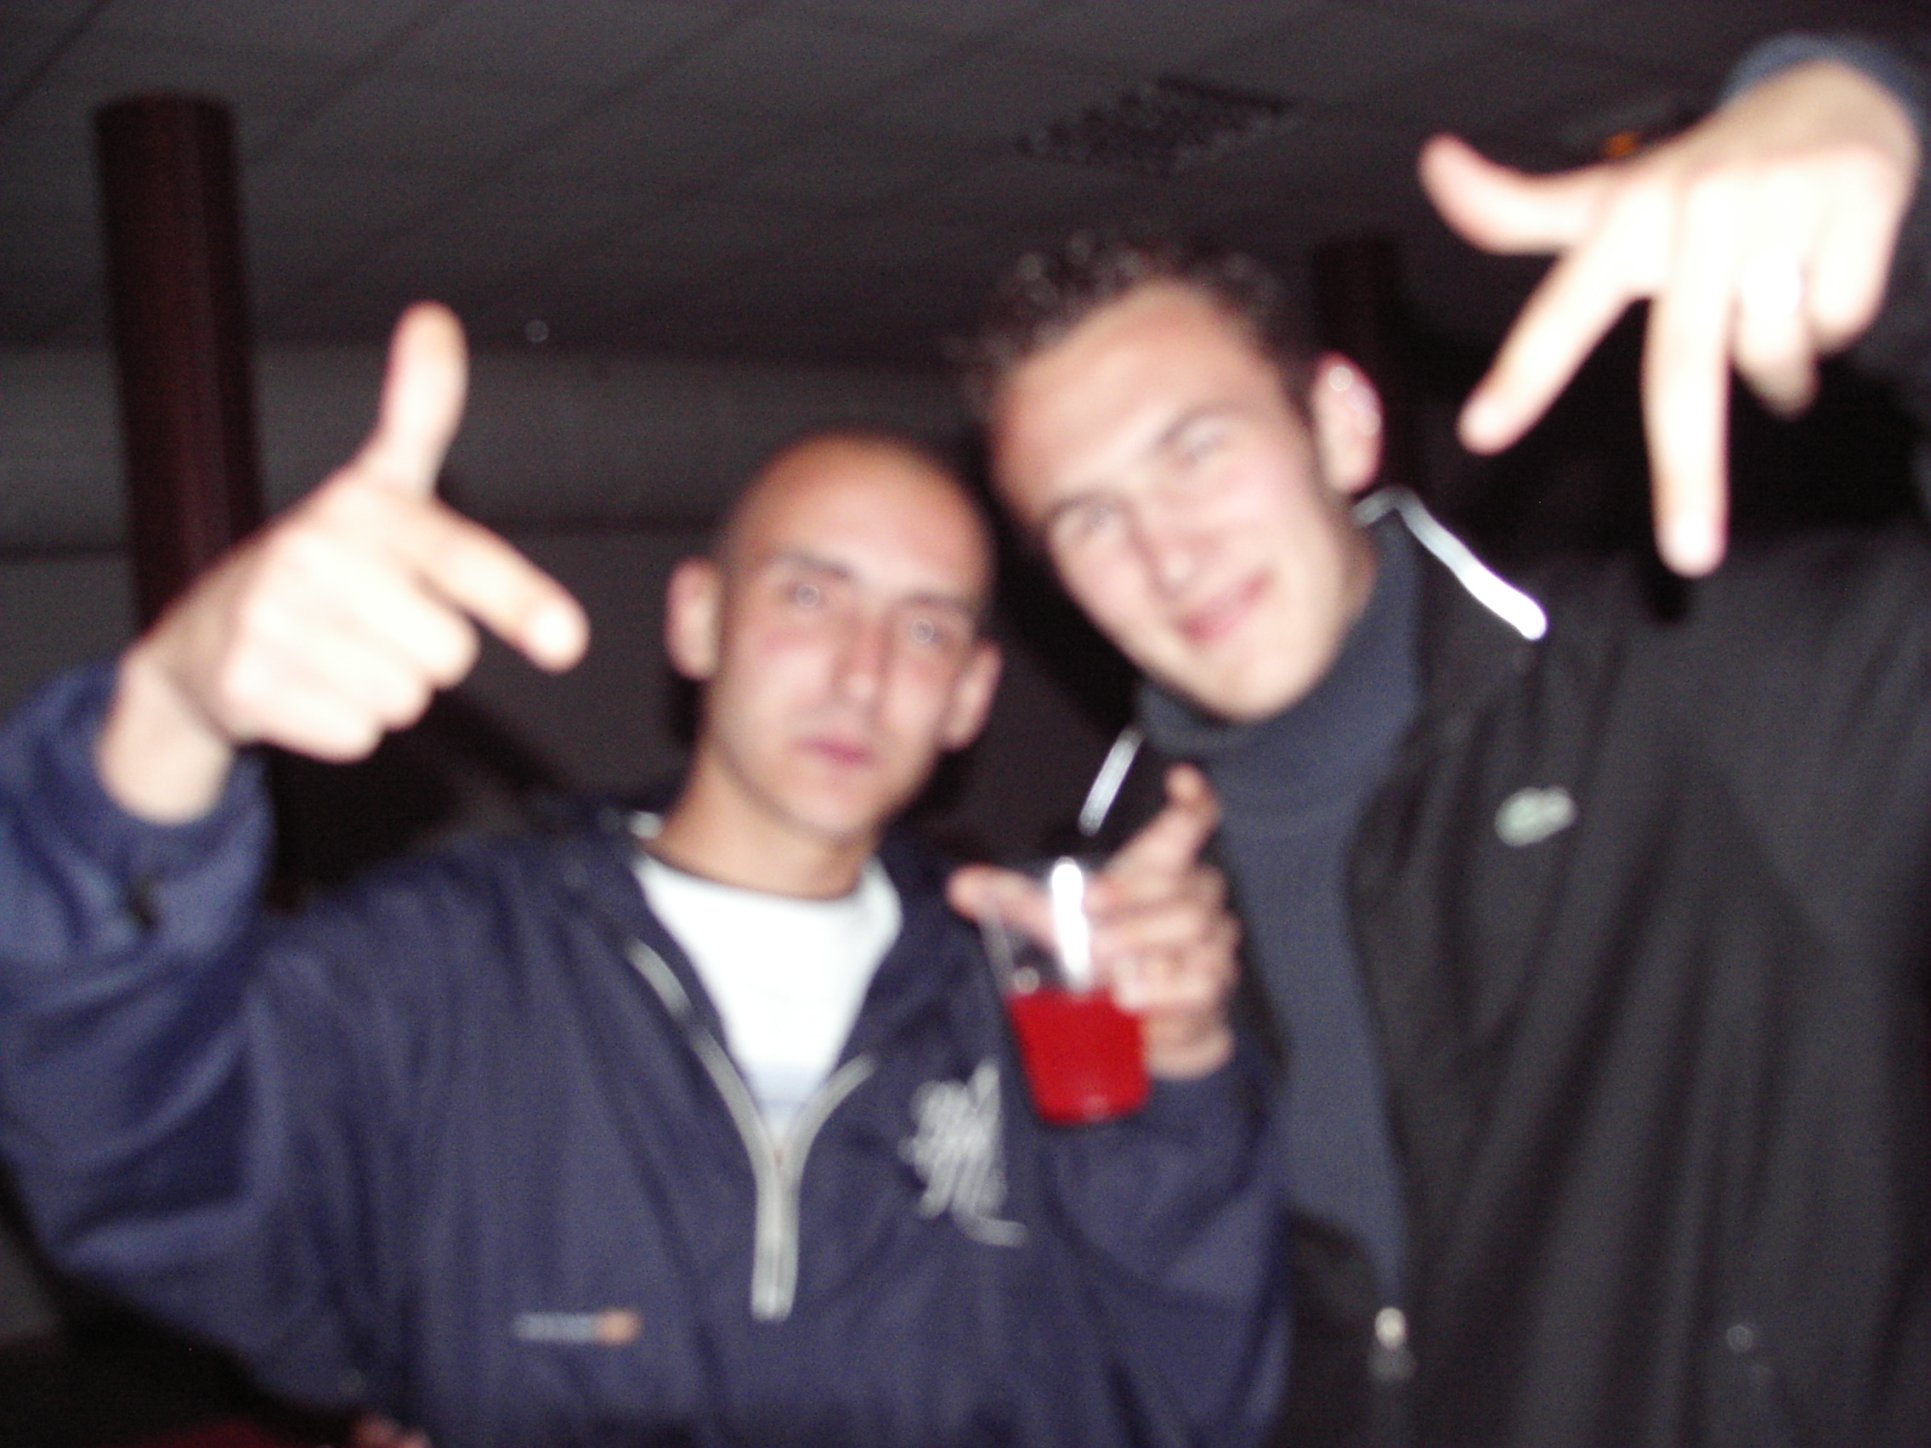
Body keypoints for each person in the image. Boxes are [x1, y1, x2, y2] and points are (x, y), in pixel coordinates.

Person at [0, 305, 1288, 1445]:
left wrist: (1176, 1078)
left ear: (970, 696)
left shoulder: (1026, 1011)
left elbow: (1187, 1398)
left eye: (925, 627)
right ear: (696, 620)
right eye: (809, 597)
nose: (862, 672)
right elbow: (130, 1165)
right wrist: (165, 721)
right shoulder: (443, 968)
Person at [954, 32, 1931, 1448]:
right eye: (1091, 519)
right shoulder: (1113, 912)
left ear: (1343, 426)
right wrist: (1173, 1107)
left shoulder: (1694, 691)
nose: (1167, 551)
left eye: (1198, 450)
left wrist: (1894, 166)